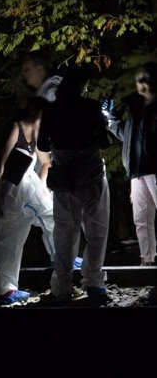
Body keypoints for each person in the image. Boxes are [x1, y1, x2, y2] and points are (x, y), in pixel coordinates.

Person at [38, 67, 112, 304]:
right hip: (91, 172)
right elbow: (105, 141)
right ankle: (93, 281)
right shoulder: (91, 107)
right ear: (82, 87)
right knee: (97, 230)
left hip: (65, 175)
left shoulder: (51, 110)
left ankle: (63, 285)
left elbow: (43, 144)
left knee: (64, 232)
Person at [0, 97, 55, 305]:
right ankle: (5, 290)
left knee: (19, 238)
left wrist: (41, 187)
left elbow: (46, 163)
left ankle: (9, 286)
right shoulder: (15, 128)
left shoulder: (38, 134)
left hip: (23, 188)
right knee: (7, 237)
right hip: (4, 188)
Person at [104, 62, 157, 266]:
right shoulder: (134, 109)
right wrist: (110, 121)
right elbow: (127, 134)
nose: (142, 83)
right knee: (141, 218)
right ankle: (147, 259)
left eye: (146, 78)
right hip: (136, 171)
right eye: (139, 79)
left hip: (153, 169)